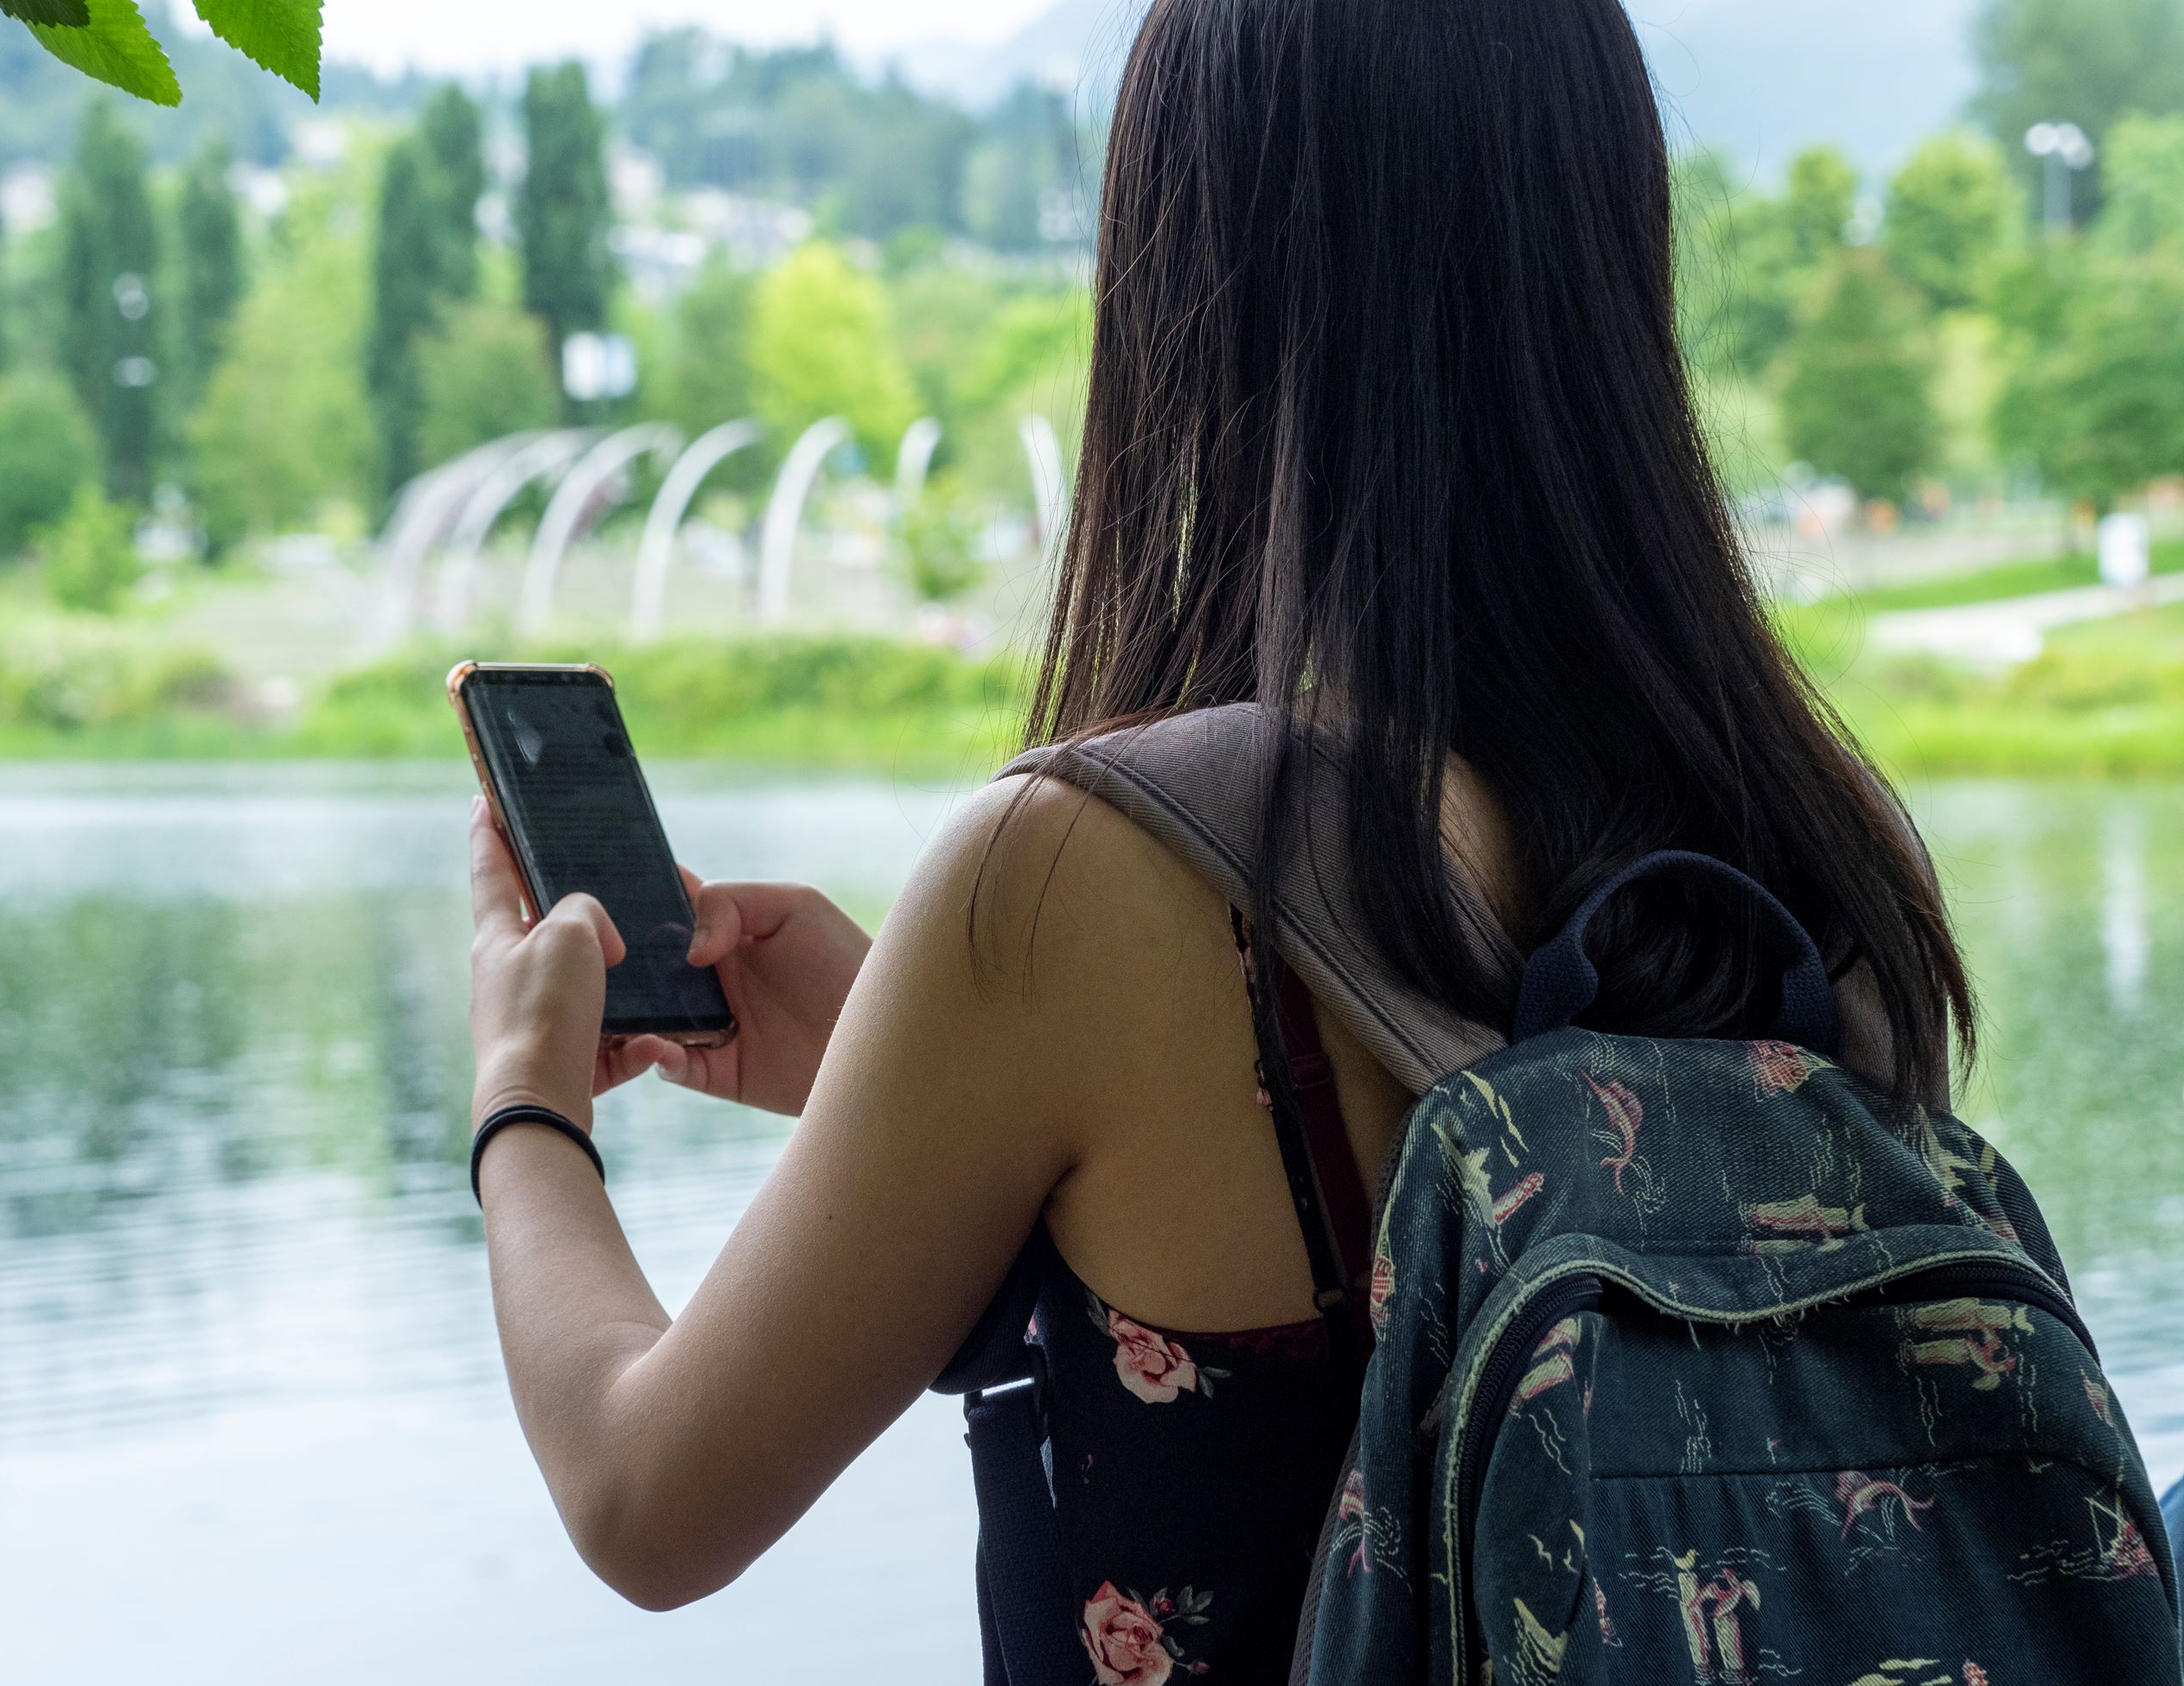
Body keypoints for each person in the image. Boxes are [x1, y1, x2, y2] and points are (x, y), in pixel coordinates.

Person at [461, 0, 1984, 1676]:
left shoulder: (1100, 875)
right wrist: (903, 1073)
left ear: (1191, 281)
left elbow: (642, 1496)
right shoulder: (1821, 853)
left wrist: (521, 1096)